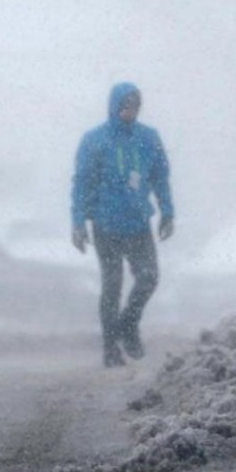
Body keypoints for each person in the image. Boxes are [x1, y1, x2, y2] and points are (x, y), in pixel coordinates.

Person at [71, 82, 175, 367]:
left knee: (149, 277)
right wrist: (78, 221)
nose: (130, 111)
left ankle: (129, 324)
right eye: (125, 105)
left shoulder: (148, 138)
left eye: (135, 105)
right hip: (105, 225)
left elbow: (160, 177)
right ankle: (110, 348)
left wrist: (168, 211)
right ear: (115, 105)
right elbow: (81, 183)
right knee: (112, 286)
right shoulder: (95, 141)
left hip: (139, 222)